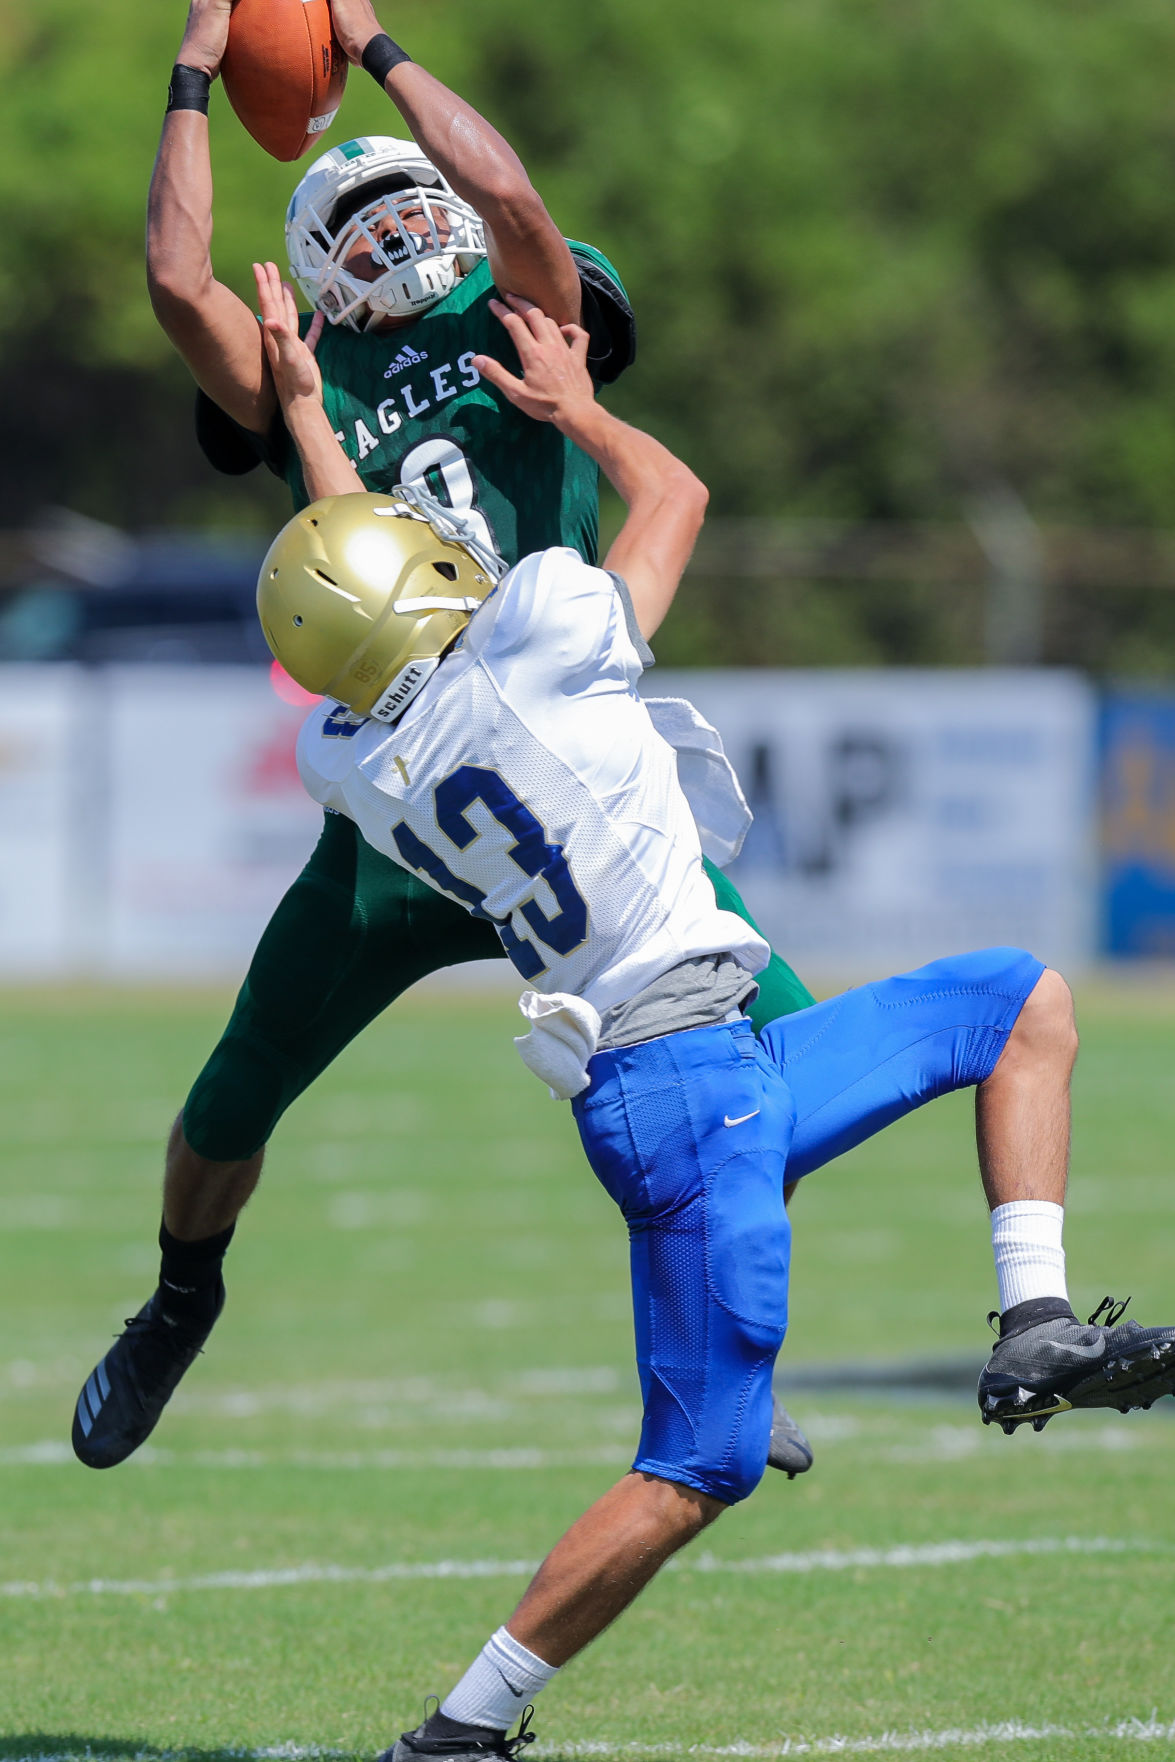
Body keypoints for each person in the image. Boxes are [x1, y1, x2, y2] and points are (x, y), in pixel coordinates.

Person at [253, 278, 1175, 1761]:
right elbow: (672, 489)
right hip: (687, 1094)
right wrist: (579, 412)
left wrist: (310, 413)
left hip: (707, 1060)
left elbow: (363, 583)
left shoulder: (357, 763)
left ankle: (1038, 1325)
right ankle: (462, 1728)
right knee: (696, 1469)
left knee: (1019, 1000)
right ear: (423, 586)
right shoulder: (545, 630)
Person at [71, 0, 815, 1477]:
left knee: (793, 1048)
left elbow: (519, 203)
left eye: (414, 190)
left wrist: (377, 41)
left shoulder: (530, 330)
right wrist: (196, 76)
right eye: (359, 210)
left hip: (581, 789)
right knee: (231, 1099)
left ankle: (724, 1347)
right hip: (403, 818)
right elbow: (172, 275)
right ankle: (179, 1297)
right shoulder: (307, 385)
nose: (403, 218)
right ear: (316, 269)